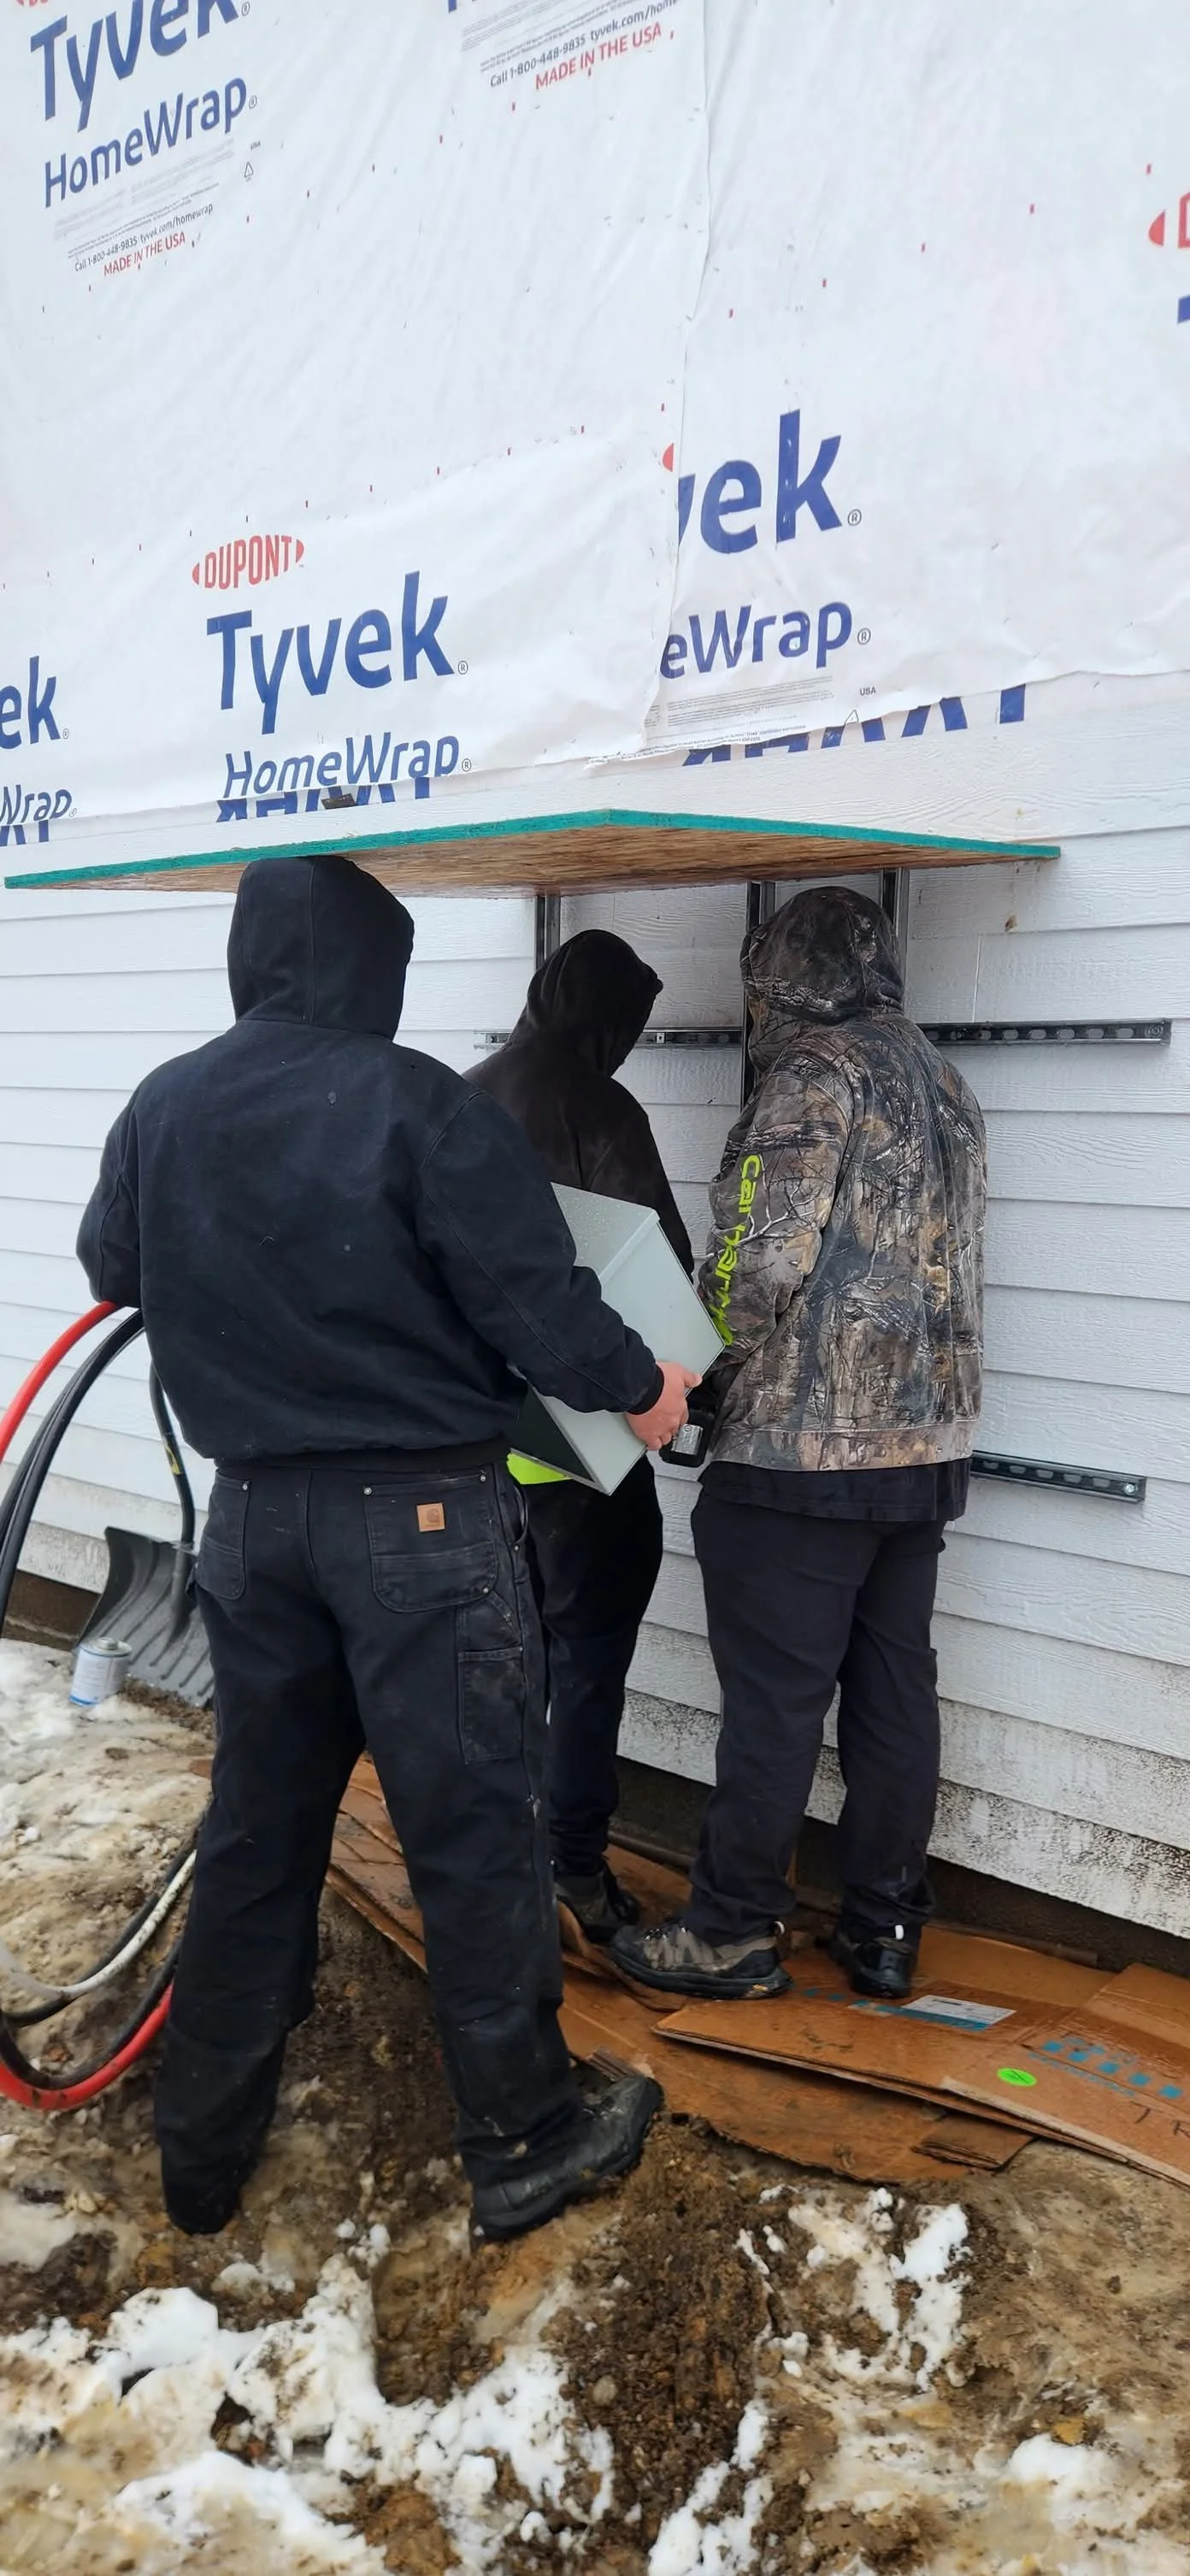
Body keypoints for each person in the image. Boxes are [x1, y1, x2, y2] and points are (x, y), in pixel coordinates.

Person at [77, 854, 698, 2243]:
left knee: (259, 1827)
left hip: (256, 1528)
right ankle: (526, 2134)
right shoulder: (419, 1104)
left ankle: (202, 2148)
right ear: (379, 969)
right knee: (469, 1831)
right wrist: (640, 1384)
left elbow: (111, 1265)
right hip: (422, 1525)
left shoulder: (164, 1104)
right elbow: (538, 1299)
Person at [612, 885, 987, 2006]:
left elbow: (754, 1265)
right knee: (892, 1693)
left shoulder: (812, 1078)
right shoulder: (946, 1082)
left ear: (783, 974)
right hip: (924, 1447)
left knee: (775, 1705)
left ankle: (728, 1933)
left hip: (801, 1453)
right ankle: (882, 1931)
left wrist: (685, 1374)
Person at [468, 930, 692, 1942]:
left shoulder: (462, 1094)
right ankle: (573, 1867)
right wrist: (688, 1387)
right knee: (590, 1657)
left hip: (475, 1436)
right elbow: (661, 1264)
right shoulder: (599, 1106)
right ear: (607, 1019)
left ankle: (500, 1854)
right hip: (578, 1435)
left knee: (504, 1656)